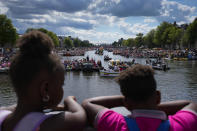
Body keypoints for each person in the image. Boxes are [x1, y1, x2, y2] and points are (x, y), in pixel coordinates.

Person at [0, 31, 86, 131]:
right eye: (61, 85)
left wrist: (50, 106)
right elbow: (79, 116)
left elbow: (15, 107)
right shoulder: (43, 125)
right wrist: (69, 100)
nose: (62, 89)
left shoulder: (2, 113)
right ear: (45, 89)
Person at [82, 64, 197, 131]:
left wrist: (126, 101)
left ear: (126, 102)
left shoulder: (117, 124)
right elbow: (190, 104)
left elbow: (88, 103)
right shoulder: (180, 125)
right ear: (157, 97)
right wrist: (153, 106)